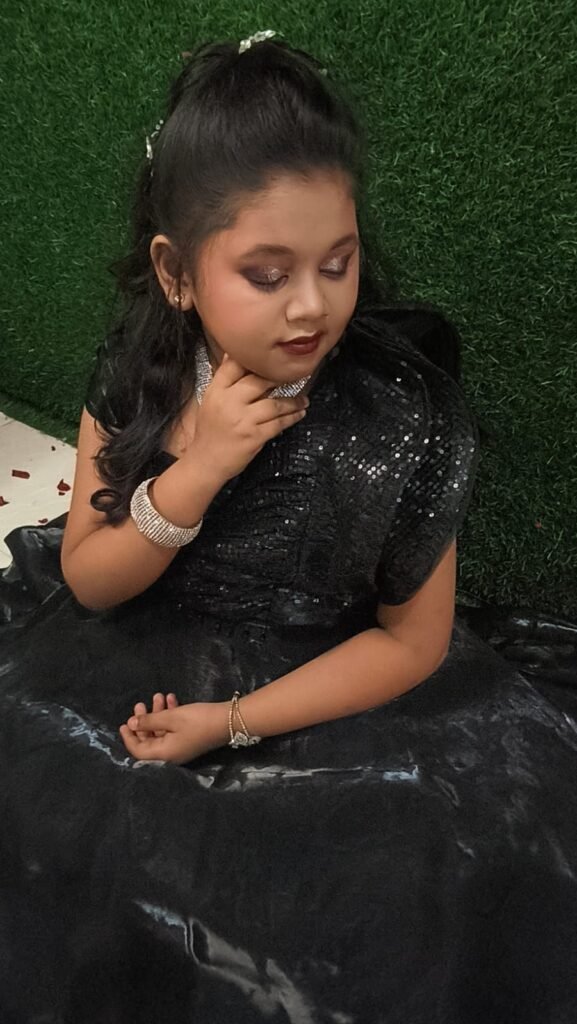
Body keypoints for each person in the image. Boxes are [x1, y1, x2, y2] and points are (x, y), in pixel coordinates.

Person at [1, 29, 576, 1024]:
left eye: (337, 264)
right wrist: (198, 470)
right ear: (177, 272)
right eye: (266, 275)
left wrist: (229, 722)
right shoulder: (137, 373)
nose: (312, 306)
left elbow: (412, 641)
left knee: (355, 935)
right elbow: (90, 578)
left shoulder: (399, 415)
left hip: (331, 685)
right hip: (133, 645)